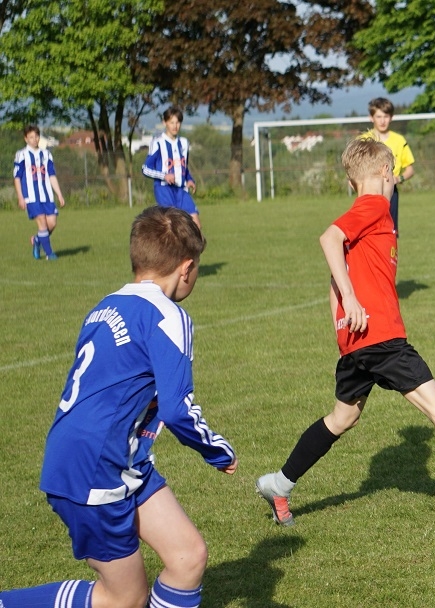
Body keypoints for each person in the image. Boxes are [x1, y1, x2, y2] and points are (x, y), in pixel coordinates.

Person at [255, 137, 435, 526]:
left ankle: (278, 484)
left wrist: (342, 327)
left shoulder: (360, 214)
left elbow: (335, 272)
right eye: (394, 173)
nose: (395, 180)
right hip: (381, 337)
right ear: (385, 172)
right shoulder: (375, 205)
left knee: (342, 419)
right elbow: (328, 239)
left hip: (356, 342)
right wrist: (352, 299)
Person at [0, 206, 237, 608]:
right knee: (124, 598)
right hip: (94, 468)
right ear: (186, 269)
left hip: (115, 457)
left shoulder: (105, 306)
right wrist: (217, 450)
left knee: (188, 556)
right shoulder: (169, 317)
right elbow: (178, 410)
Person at [360, 97, 415, 234]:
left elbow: (410, 169)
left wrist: (398, 178)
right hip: (369, 192)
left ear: (391, 117)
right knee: (369, 232)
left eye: (386, 116)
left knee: (390, 232)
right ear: (371, 118)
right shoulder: (363, 140)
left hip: (391, 192)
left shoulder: (399, 140)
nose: (382, 121)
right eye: (379, 116)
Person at [14, 124, 67, 261]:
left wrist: (59, 194)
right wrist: (20, 196)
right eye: (31, 137)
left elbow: (52, 175)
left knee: (52, 223)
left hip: (47, 195)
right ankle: (50, 254)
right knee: (42, 222)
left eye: (36, 136)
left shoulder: (46, 154)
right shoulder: (21, 155)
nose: (34, 139)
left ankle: (37, 240)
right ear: (26, 139)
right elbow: (17, 177)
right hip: (31, 197)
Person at [143, 107, 201, 228]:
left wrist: (189, 179)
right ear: (165, 123)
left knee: (196, 225)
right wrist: (164, 176)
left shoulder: (184, 143)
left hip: (181, 190)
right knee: (172, 227)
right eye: (171, 122)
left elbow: (184, 167)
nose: (175, 126)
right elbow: (145, 169)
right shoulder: (158, 143)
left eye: (178, 122)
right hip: (164, 190)